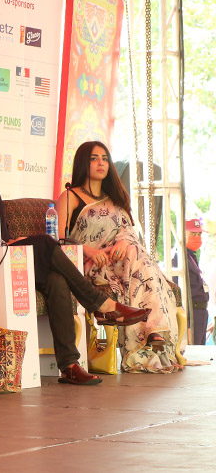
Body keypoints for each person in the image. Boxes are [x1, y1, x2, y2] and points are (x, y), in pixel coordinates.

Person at [0, 131, 150, 385]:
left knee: (57, 279)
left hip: (4, 261)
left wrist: (9, 244)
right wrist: (0, 245)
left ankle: (69, 365)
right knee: (46, 241)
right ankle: (100, 305)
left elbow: (5, 237)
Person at [56, 141, 183, 372]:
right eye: (94, 158)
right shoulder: (70, 197)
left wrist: (124, 242)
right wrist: (90, 251)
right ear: (83, 162)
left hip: (122, 262)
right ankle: (153, 329)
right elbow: (58, 242)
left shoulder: (114, 198)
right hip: (89, 263)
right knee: (138, 259)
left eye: (105, 159)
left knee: (134, 250)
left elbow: (128, 232)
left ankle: (153, 330)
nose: (101, 163)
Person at [183, 219, 210, 345]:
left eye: (199, 234)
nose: (197, 238)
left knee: (199, 349)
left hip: (199, 313)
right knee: (193, 350)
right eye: (193, 234)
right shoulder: (180, 259)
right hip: (191, 314)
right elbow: (180, 294)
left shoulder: (191, 256)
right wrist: (187, 324)